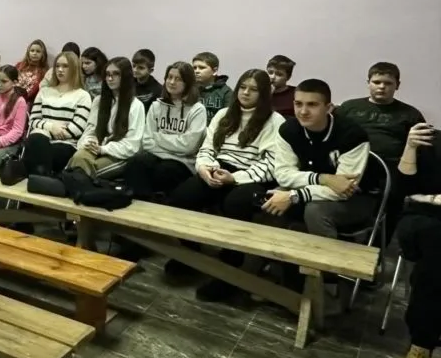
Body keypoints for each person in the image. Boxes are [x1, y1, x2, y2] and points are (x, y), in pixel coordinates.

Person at [168, 69, 285, 300]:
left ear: (263, 94)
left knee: (235, 203)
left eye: (253, 90)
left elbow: (271, 164)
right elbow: (207, 149)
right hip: (218, 168)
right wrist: (204, 169)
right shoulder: (224, 114)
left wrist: (235, 178)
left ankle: (229, 271)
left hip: (250, 177)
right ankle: (190, 253)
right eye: (243, 87)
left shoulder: (274, 121)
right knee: (182, 196)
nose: (246, 93)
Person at [268, 78, 374, 240]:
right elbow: (283, 175)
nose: (303, 111)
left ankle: (326, 264)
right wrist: (323, 178)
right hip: (312, 188)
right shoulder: (288, 130)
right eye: (298, 104)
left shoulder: (352, 135)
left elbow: (344, 190)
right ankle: (279, 261)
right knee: (270, 200)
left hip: (357, 198)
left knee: (314, 211)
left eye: (312, 105)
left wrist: (294, 196)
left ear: (329, 108)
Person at [393, 121, 441, 358]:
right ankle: (420, 349)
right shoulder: (430, 141)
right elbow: (405, 191)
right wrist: (410, 147)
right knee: (438, 246)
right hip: (422, 221)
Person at [123, 62, 206, 200]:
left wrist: (159, 137)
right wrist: (171, 145)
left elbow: (189, 146)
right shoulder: (156, 106)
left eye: (178, 79)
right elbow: (147, 141)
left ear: (188, 83)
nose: (172, 82)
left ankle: (162, 209)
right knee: (134, 163)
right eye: (169, 77)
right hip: (159, 156)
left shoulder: (197, 109)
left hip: (183, 162)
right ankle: (141, 207)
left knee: (165, 171)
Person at [63, 56, 146, 192]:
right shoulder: (99, 101)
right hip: (97, 147)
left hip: (119, 154)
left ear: (125, 76)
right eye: (107, 74)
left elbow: (133, 145)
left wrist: (104, 149)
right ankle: (82, 197)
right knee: (79, 158)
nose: (110, 79)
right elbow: (90, 131)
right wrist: (89, 143)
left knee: (81, 167)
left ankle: (78, 198)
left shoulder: (136, 106)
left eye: (115, 74)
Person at [335, 62, 425, 167]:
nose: (382, 87)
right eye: (376, 82)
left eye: (388, 83)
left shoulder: (411, 114)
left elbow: (422, 150)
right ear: (368, 83)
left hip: (393, 168)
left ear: (397, 85)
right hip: (350, 164)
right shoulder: (348, 107)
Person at [22, 51, 93, 177]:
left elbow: (77, 128)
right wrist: (52, 128)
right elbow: (33, 121)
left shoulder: (83, 95)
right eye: (57, 66)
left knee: (39, 149)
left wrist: (47, 130)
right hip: (41, 139)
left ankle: (35, 184)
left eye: (65, 66)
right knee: (36, 140)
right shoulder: (44, 91)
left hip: (66, 144)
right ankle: (40, 183)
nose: (60, 70)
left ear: (74, 69)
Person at [193, 51, 232, 124]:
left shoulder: (226, 92)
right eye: (194, 68)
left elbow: (228, 120)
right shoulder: (190, 89)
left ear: (214, 71)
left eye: (201, 68)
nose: (196, 71)